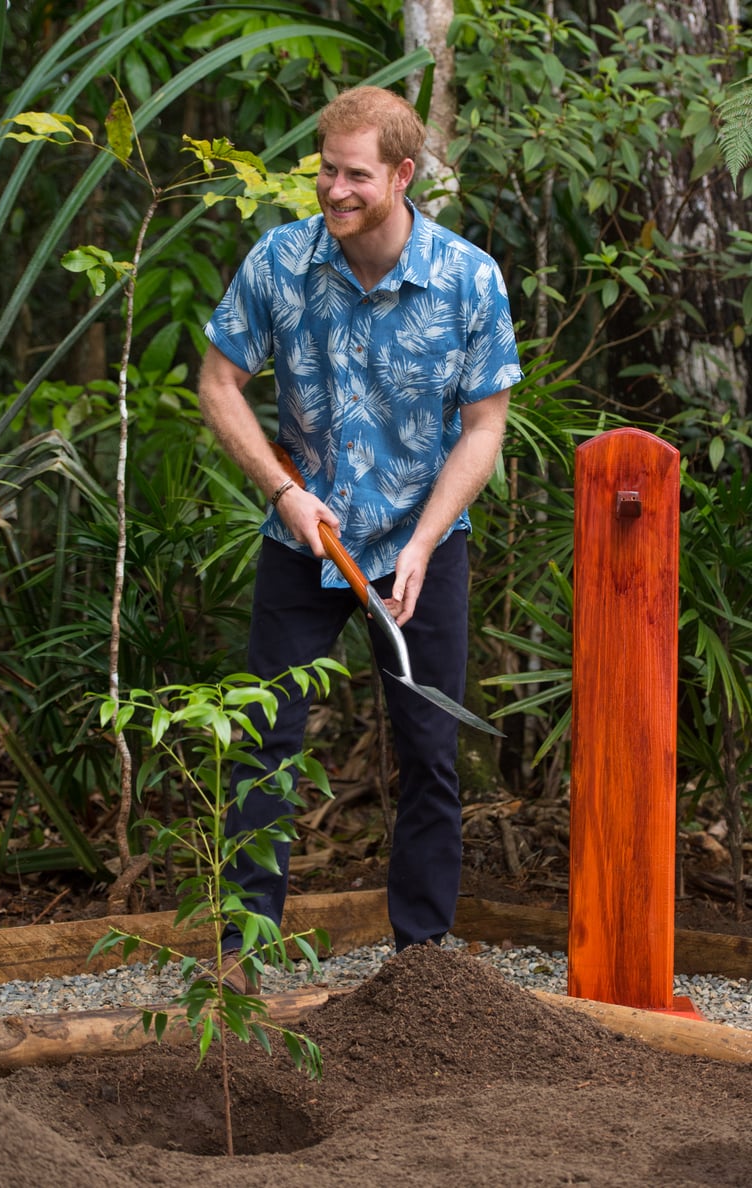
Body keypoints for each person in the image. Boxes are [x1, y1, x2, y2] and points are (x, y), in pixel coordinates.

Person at [198, 85, 523, 994]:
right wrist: (285, 492)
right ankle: (241, 959)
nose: (333, 190)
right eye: (324, 170)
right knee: (265, 743)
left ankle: (421, 972)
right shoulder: (281, 262)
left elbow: (485, 426)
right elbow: (219, 383)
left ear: (402, 175)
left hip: (422, 549)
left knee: (426, 752)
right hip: (306, 540)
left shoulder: (468, 278)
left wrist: (421, 544)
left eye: (353, 175)